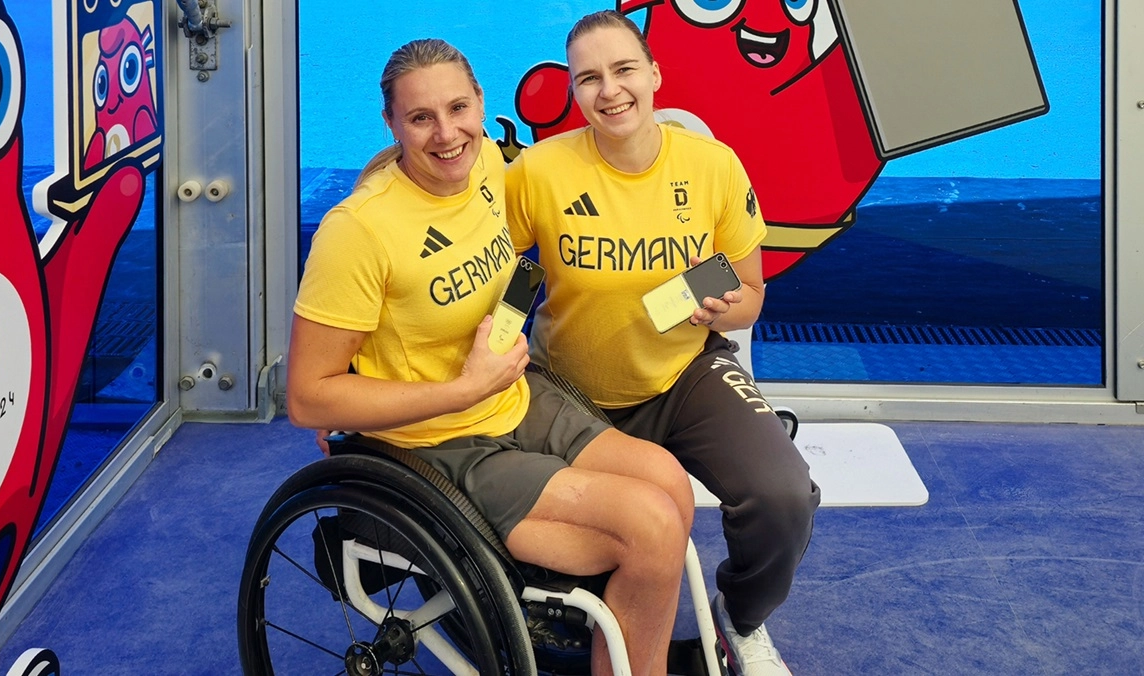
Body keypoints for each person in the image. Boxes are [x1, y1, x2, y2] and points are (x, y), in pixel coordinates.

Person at [285, 38, 694, 676]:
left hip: (515, 393)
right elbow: (307, 396)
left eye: (457, 109)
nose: (446, 134)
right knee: (651, 527)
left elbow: (517, 259)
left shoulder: (492, 168)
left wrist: (508, 324)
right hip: (437, 444)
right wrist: (459, 387)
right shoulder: (357, 231)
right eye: (420, 118)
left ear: (482, 104)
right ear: (392, 123)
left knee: (669, 482)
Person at [505, 11, 822, 676]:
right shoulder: (539, 171)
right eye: (588, 77)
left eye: (623, 70)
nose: (609, 90)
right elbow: (504, 276)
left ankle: (741, 621)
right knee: (591, 541)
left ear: (654, 75)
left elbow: (755, 292)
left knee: (784, 495)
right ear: (573, 90)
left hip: (685, 375)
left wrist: (729, 306)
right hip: (572, 393)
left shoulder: (712, 166)